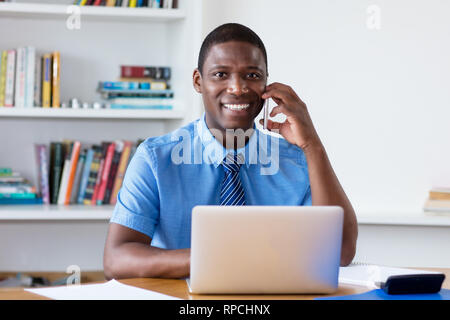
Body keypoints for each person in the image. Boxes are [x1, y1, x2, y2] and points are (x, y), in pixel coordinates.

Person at [103, 23, 358, 280]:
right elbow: (117, 259)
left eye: (252, 75)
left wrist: (312, 144)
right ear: (198, 81)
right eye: (221, 74)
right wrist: (215, 257)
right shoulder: (155, 159)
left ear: (267, 85)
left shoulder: (297, 161)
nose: (237, 88)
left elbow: (341, 253)